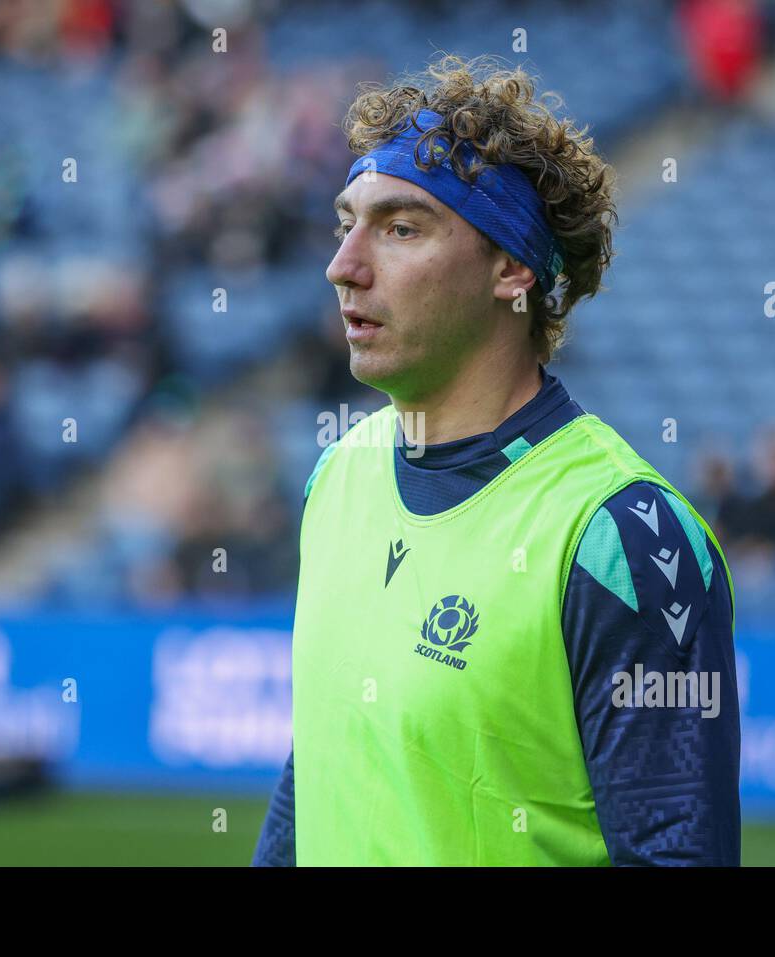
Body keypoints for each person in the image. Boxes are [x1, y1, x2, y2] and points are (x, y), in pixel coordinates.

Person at [253, 54, 740, 866]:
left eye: (401, 228)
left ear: (512, 271)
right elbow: (319, 773)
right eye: (347, 224)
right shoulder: (337, 475)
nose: (344, 266)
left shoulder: (623, 537)